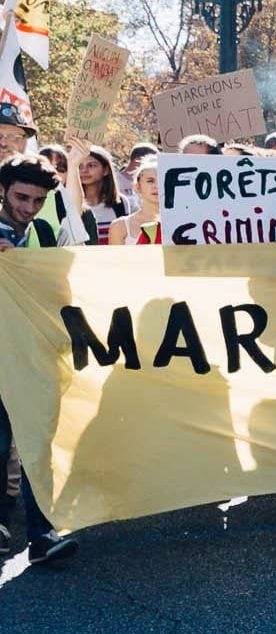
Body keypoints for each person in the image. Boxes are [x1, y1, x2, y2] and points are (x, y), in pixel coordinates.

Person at [0, 155, 77, 564]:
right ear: (3, 191)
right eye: (21, 197)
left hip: (35, 354)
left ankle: (41, 534)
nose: (28, 207)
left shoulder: (45, 231)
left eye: (37, 200)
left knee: (37, 444)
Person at [0, 104, 84, 246]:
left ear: (26, 141)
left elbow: (74, 244)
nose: (3, 143)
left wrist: (74, 165)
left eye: (14, 137)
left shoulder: (51, 188)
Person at [62, 139, 126, 244]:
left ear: (105, 170)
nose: (84, 171)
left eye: (91, 165)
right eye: (80, 166)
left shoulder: (120, 203)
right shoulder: (68, 200)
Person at [104, 156, 161, 245]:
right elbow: (115, 258)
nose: (157, 186)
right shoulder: (120, 226)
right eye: (150, 181)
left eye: (162, 180)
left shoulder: (181, 224)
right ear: (137, 186)